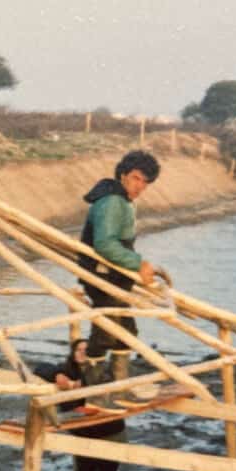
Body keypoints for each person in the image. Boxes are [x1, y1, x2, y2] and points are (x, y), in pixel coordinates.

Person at [77, 150, 166, 389]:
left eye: (145, 182)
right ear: (123, 174)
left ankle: (118, 386)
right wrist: (138, 264)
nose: (140, 186)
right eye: (136, 178)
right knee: (106, 332)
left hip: (114, 275)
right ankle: (94, 391)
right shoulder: (112, 201)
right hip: (102, 274)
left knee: (126, 332)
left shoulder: (121, 200)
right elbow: (105, 244)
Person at [35, 338, 124, 471]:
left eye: (87, 350)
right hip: (83, 436)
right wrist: (57, 375)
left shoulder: (102, 371)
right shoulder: (69, 369)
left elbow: (103, 389)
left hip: (109, 434)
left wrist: (76, 387)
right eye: (79, 350)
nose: (83, 353)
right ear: (73, 353)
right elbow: (40, 367)